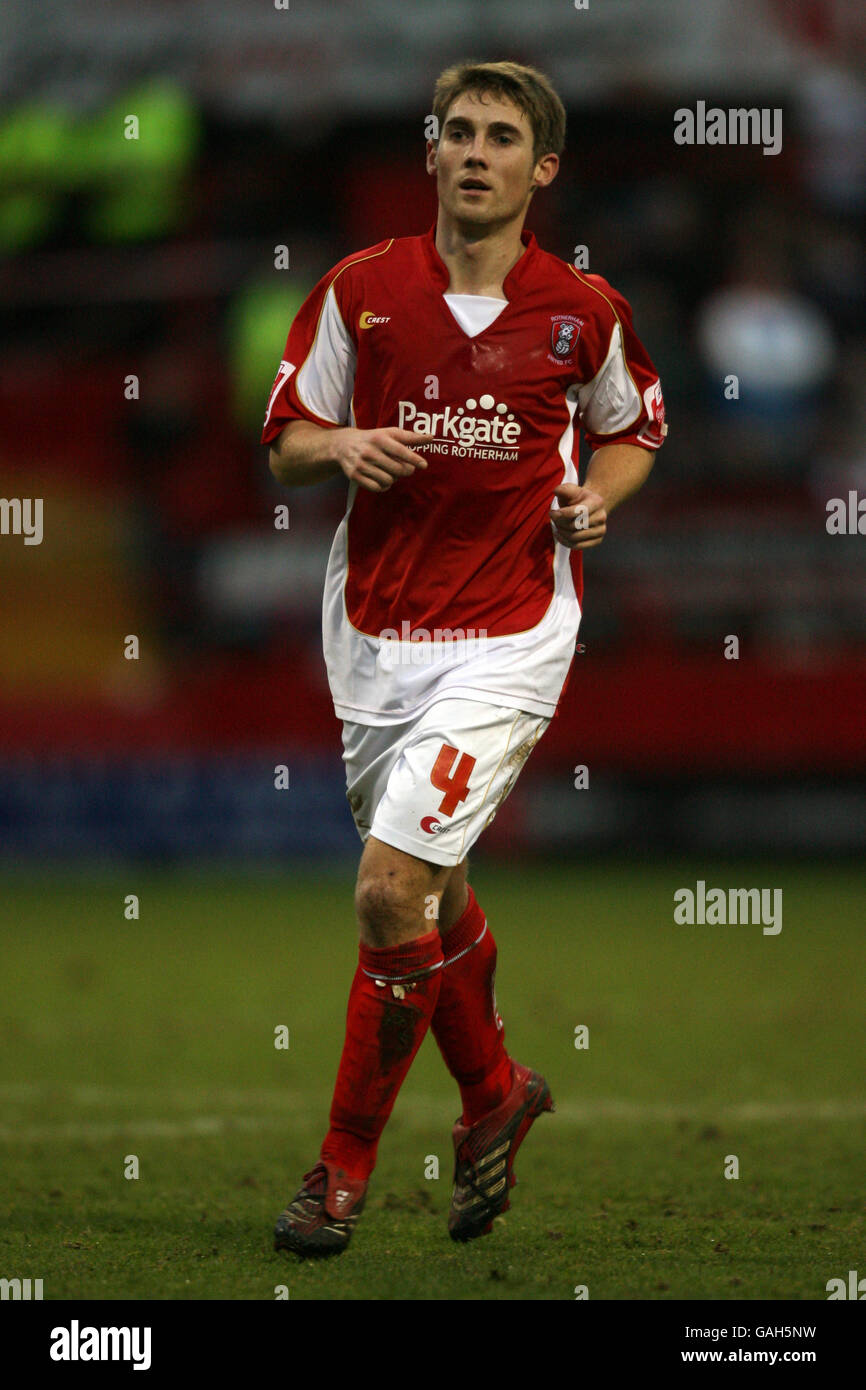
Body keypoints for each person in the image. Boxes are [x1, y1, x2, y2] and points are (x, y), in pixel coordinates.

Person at [262, 59, 667, 1256]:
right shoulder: (363, 290)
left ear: (541, 170)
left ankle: (338, 1172)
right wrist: (341, 440)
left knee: (389, 889)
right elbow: (283, 441)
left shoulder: (578, 309)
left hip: (510, 636)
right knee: (429, 891)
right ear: (430, 153)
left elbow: (631, 429)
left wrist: (594, 499)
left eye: (501, 136)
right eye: (458, 133)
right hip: (376, 633)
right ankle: (494, 1091)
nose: (475, 151)